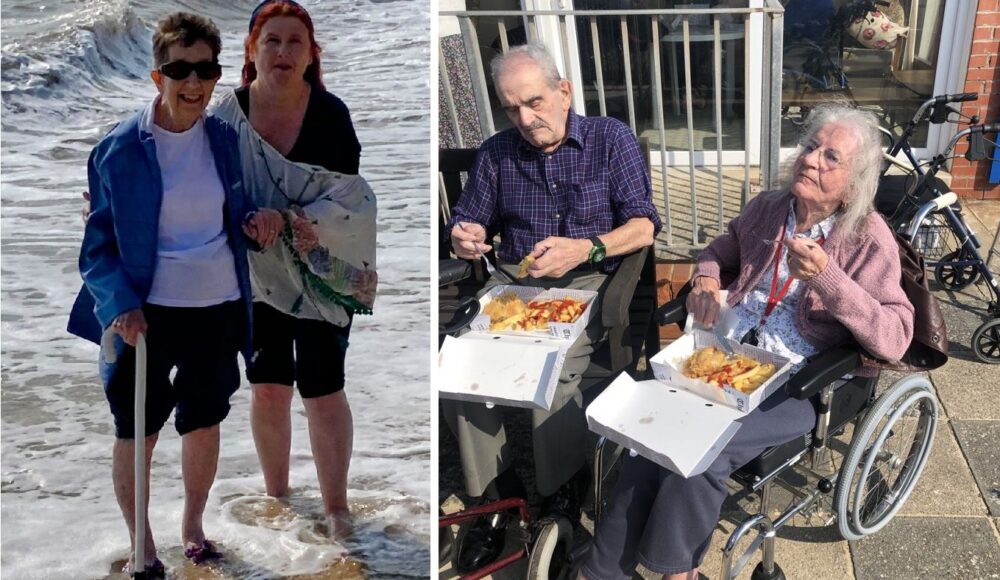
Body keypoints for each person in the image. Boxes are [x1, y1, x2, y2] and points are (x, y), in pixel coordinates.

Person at [581, 104, 915, 580]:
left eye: (831, 157)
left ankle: (678, 572)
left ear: (856, 182)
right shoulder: (769, 208)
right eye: (810, 147)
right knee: (646, 439)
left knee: (702, 452)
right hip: (730, 357)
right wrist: (704, 277)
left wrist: (829, 281)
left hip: (801, 378)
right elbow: (720, 249)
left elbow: (895, 337)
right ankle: (600, 573)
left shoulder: (867, 237)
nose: (812, 160)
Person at [67, 12, 283, 577]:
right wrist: (120, 306)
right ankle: (141, 543)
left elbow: (232, 214)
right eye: (179, 69)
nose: (193, 83)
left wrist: (256, 222)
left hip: (216, 306)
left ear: (217, 75)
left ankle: (192, 525)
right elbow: (97, 248)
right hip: (143, 313)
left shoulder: (224, 139)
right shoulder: (118, 149)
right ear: (156, 76)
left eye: (205, 69)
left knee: (205, 420)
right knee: (137, 429)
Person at [443, 43, 661, 573]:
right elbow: (469, 223)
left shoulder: (610, 139)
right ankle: (492, 496)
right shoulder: (498, 151)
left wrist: (585, 249)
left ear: (564, 92)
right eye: (512, 107)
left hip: (585, 279)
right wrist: (463, 237)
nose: (525, 118)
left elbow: (644, 224)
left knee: (554, 373)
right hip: (515, 286)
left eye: (535, 102)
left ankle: (562, 488)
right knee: (460, 368)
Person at [210, 0, 378, 539]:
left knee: (323, 387)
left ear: (311, 56)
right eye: (272, 41)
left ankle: (336, 508)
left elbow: (349, 203)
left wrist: (284, 219)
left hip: (318, 274)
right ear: (251, 50)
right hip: (255, 274)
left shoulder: (332, 116)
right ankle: (277, 496)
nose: (282, 52)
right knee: (267, 387)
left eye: (294, 43)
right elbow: (203, 192)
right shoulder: (223, 118)